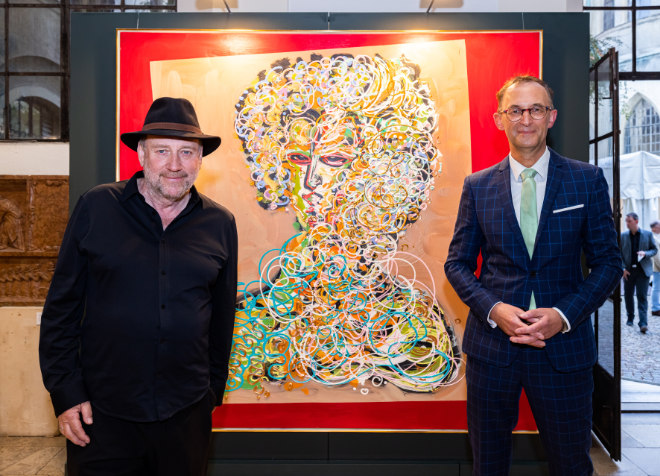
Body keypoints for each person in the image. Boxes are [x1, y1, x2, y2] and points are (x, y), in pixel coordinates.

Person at [39, 97, 238, 476]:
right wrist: (66, 393)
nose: (175, 165)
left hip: (186, 414)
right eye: (162, 151)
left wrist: (210, 392)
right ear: (142, 153)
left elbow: (222, 317)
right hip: (101, 414)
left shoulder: (220, 223)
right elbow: (61, 309)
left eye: (187, 152)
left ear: (200, 160)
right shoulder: (96, 207)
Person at [444, 75, 622, 475]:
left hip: (564, 350)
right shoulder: (477, 186)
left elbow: (609, 263)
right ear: (499, 119)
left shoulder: (586, 180)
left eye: (536, 109)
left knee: (571, 465)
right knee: (488, 466)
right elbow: (456, 264)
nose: (526, 119)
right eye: (516, 110)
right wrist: (494, 310)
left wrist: (562, 315)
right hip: (493, 351)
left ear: (551, 117)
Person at [621, 212, 657, 333]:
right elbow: (618, 254)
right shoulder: (623, 236)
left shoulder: (647, 234)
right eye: (626, 221)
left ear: (636, 221)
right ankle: (630, 317)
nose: (627, 223)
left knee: (642, 297)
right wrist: (623, 268)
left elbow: (654, 250)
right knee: (628, 296)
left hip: (643, 271)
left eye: (629, 221)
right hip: (628, 272)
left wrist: (645, 253)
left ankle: (643, 323)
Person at [651, 221, 660, 317]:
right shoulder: (654, 238)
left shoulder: (656, 237)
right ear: (654, 228)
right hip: (657, 267)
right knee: (656, 288)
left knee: (657, 288)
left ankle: (656, 306)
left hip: (657, 266)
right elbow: (657, 255)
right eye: (658, 226)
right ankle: (655, 308)